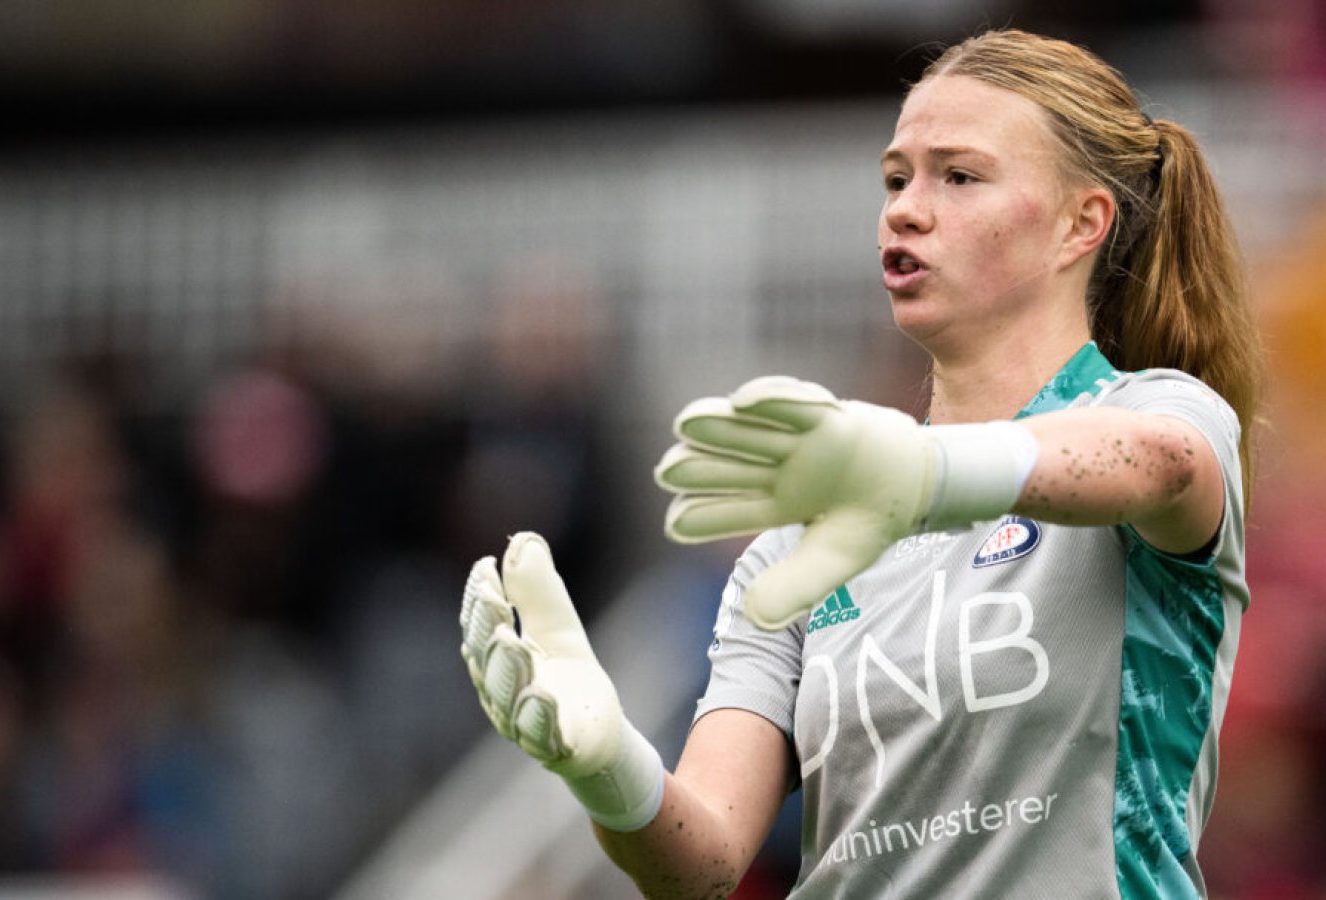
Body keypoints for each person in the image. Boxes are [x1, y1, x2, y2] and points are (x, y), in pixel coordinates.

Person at [459, 28, 1263, 899]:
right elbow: (703, 865)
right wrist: (608, 765)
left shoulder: (1157, 414)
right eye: (895, 177)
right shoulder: (801, 548)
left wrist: (921, 473)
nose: (906, 209)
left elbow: (1163, 463)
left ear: (1081, 223)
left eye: (959, 175)